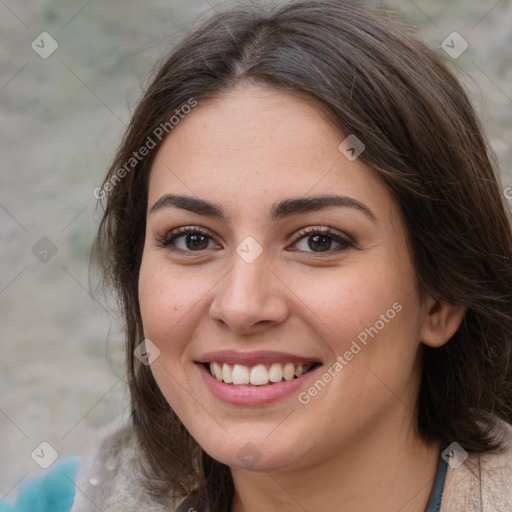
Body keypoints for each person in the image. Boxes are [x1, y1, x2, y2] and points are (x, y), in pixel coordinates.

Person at [69, 0, 512, 511]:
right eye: (193, 239)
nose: (240, 305)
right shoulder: (70, 495)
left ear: (441, 298)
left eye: (318, 241)